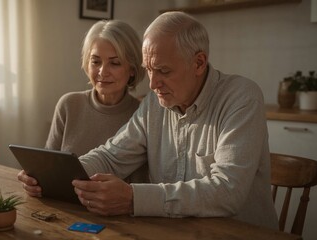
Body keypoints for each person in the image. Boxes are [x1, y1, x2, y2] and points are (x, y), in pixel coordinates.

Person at [18, 12, 279, 230]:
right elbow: (111, 156)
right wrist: (52, 175)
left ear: (199, 62)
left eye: (164, 71)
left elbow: (227, 192)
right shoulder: (156, 102)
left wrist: (133, 198)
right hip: (172, 232)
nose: (152, 84)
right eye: (149, 70)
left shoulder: (242, 97)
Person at [18, 20, 149, 191]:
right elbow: (47, 168)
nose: (102, 71)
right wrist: (33, 179)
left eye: (114, 63)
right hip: (65, 207)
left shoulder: (143, 115)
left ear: (132, 68)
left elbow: (140, 186)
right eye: (96, 61)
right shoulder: (68, 104)